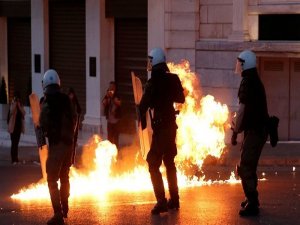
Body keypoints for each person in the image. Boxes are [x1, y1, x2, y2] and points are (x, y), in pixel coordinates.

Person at [138, 47, 185, 215]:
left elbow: (142, 106)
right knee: (170, 163)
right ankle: (175, 199)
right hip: (172, 127)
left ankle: (161, 201)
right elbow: (181, 98)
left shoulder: (152, 83)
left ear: (155, 61)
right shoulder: (173, 79)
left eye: (150, 60)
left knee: (152, 162)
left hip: (161, 129)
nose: (149, 63)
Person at [231, 50, 269, 217]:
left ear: (246, 64)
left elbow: (242, 110)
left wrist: (235, 130)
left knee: (246, 165)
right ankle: (250, 197)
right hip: (256, 130)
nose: (238, 66)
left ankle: (253, 203)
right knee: (249, 165)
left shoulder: (248, 82)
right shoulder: (253, 80)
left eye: (240, 63)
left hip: (256, 131)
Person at [39, 69, 76, 225]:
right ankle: (65, 207)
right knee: (65, 176)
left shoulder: (47, 102)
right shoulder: (66, 99)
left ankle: (58, 214)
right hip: (69, 144)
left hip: (57, 145)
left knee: (52, 179)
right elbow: (75, 118)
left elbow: (43, 123)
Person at [7, 91, 25, 165]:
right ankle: (13, 159)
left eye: (18, 98)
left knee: (16, 143)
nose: (17, 99)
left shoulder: (20, 104)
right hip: (13, 127)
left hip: (18, 127)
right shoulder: (12, 103)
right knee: (13, 143)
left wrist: (19, 105)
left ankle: (16, 158)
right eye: (16, 98)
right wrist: (15, 103)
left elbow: (23, 112)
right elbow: (11, 111)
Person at [102, 81, 121, 148]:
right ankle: (109, 153)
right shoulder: (107, 96)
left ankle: (116, 153)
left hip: (116, 121)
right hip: (109, 121)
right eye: (109, 87)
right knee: (109, 139)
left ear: (114, 88)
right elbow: (103, 103)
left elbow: (119, 103)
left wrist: (113, 98)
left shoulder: (117, 95)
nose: (110, 88)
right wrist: (107, 97)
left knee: (116, 139)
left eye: (112, 87)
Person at [67, 87, 82, 164]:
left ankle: (72, 160)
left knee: (73, 143)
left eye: (72, 95)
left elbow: (79, 110)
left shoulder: (75, 102)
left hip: (74, 125)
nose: (71, 96)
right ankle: (69, 160)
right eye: (70, 95)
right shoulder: (66, 103)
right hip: (68, 126)